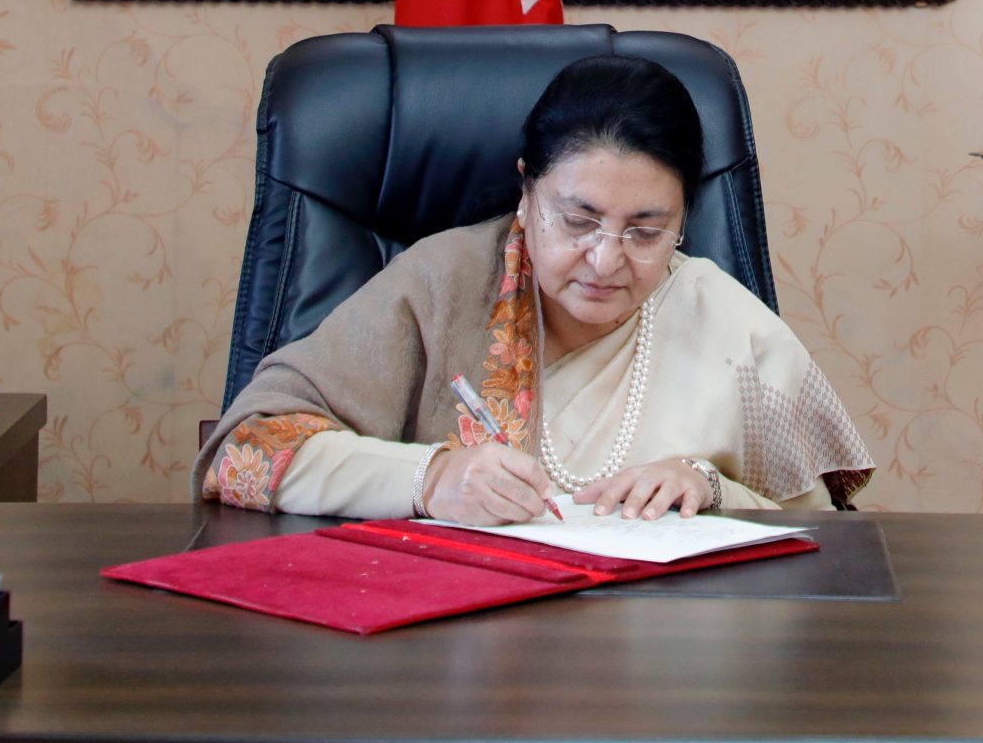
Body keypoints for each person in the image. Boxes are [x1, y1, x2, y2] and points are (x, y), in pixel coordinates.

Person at [196, 55, 874, 522]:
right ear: (526, 189)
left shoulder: (724, 320)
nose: (606, 259)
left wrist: (709, 487)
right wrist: (428, 478)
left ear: (685, 219)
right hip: (454, 668)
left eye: (646, 229)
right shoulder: (443, 282)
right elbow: (242, 451)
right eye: (578, 220)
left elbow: (823, 542)